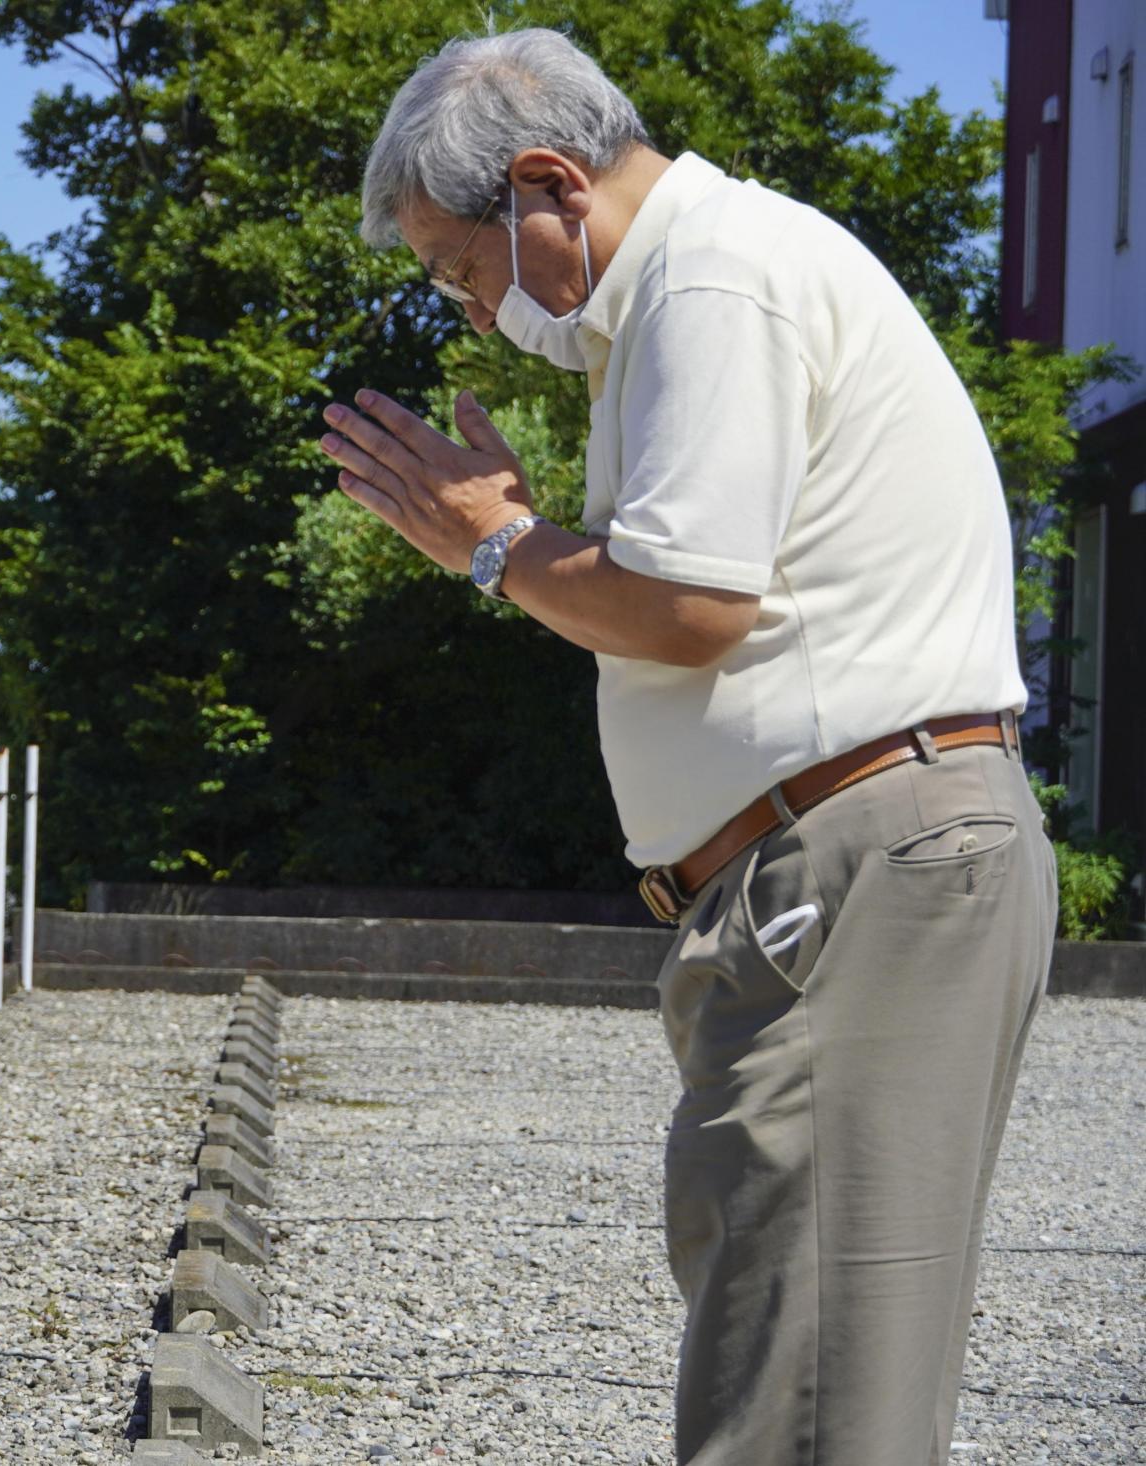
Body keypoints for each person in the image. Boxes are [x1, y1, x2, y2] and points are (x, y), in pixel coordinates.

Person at [326, 26, 1055, 1466]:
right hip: (850, 860)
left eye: (463, 273)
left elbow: (688, 603)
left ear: (548, 185)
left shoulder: (712, 276)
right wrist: (519, 546)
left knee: (806, 1399)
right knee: (806, 1368)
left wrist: (499, 546)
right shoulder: (710, 276)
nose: (476, 319)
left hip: (858, 858)